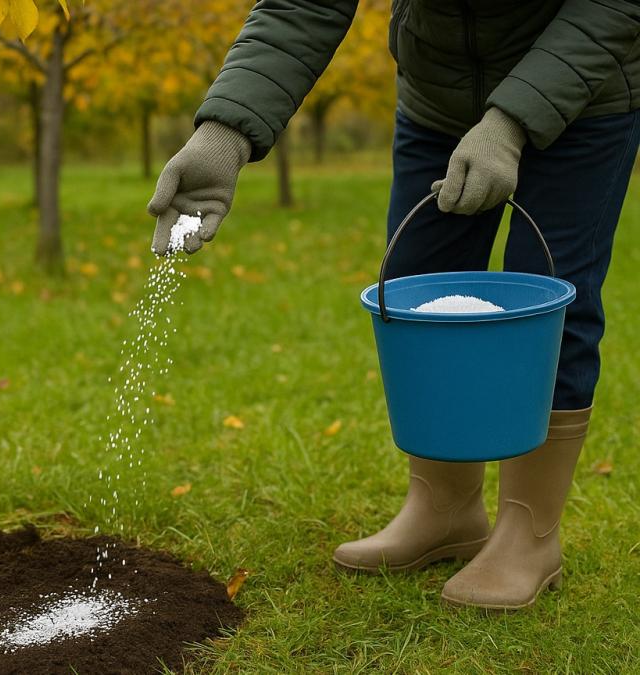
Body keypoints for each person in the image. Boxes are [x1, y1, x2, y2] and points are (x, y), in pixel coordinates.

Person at [149, 0, 640, 610]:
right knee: (417, 289)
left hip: (586, 94)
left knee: (547, 299)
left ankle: (530, 534)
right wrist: (225, 132)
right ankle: (446, 508)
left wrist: (510, 122)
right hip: (437, 96)